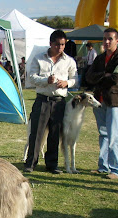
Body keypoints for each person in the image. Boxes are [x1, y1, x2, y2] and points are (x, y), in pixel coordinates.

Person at [23, 29, 77, 174]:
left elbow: (75, 78)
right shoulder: (39, 58)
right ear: (50, 43)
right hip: (43, 100)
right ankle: (31, 163)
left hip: (59, 102)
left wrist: (67, 83)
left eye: (63, 45)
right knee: (36, 133)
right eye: (57, 45)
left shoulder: (69, 61)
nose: (60, 48)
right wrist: (46, 80)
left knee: (55, 134)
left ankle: (52, 164)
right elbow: (31, 77)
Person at [86, 27, 118, 179]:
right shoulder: (99, 58)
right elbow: (89, 77)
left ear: (117, 40)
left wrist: (101, 78)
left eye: (110, 38)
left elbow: (116, 79)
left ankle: (117, 169)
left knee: (114, 135)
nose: (106, 41)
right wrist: (104, 75)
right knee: (103, 134)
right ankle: (103, 166)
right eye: (104, 39)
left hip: (115, 101)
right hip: (100, 102)